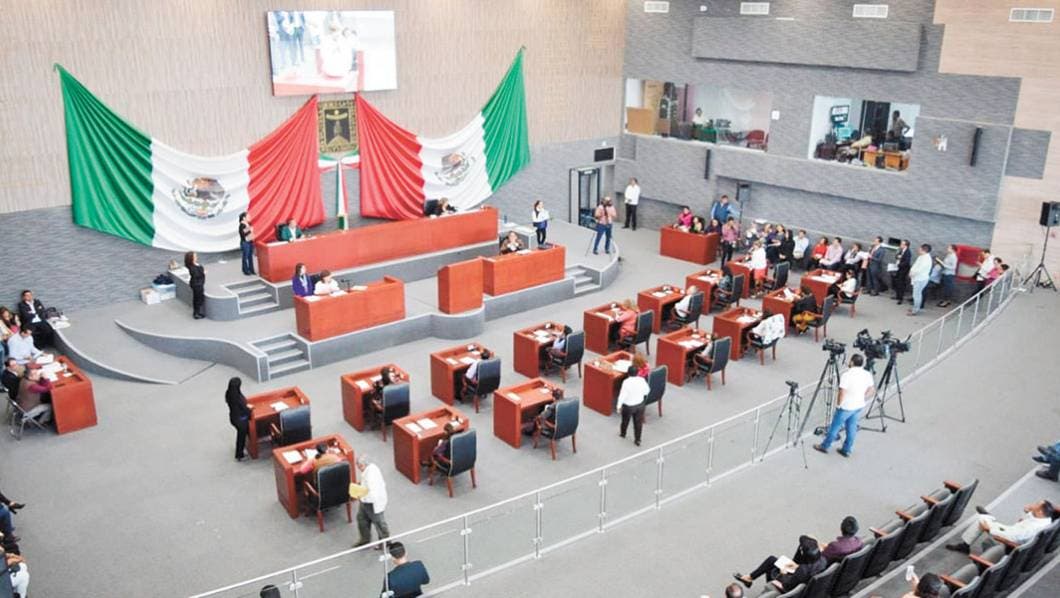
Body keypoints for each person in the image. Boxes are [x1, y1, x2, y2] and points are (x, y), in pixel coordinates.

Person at [814, 354, 875, 457]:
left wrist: (839, 404)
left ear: (852, 362)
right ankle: (846, 449)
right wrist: (862, 397)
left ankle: (824, 446)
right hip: (858, 405)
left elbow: (842, 392)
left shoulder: (847, 375)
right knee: (852, 427)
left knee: (834, 427)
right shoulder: (867, 374)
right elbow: (872, 389)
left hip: (846, 406)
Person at [946, 500, 1058, 554]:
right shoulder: (1044, 519)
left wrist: (990, 529)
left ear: (1040, 511)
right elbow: (1021, 522)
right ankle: (989, 518)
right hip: (1012, 530)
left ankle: (966, 545)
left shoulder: (1033, 527)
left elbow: (1013, 538)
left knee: (982, 520)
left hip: (1009, 540)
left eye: (1036, 504)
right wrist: (1027, 511)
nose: (1033, 504)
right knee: (983, 519)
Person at [733, 535, 828, 594]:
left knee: (771, 565)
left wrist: (782, 573)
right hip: (805, 583)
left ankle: (768, 590)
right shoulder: (823, 561)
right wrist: (797, 567)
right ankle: (749, 578)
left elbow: (787, 586)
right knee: (772, 560)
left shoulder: (802, 570)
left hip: (788, 587)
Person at [354, 456, 390, 547]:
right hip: (365, 501)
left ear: (363, 465)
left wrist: (361, 497)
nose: (359, 469)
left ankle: (385, 543)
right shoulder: (369, 468)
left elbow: (373, 495)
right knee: (361, 519)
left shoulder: (371, 476)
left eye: (359, 467)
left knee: (379, 524)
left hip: (373, 504)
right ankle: (365, 539)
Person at [616, 365, 649, 446]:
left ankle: (623, 434)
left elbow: (622, 395)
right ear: (637, 373)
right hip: (640, 405)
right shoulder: (642, 380)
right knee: (638, 423)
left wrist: (618, 406)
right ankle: (638, 440)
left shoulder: (626, 382)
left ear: (628, 373)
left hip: (628, 406)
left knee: (625, 421)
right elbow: (647, 391)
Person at [225, 377, 252, 461]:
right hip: (241, 421)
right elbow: (245, 409)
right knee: (241, 437)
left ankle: (241, 451)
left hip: (233, 418)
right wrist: (250, 410)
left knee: (241, 436)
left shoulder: (228, 394)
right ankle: (239, 455)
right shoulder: (238, 398)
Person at [908, 244, 933, 316]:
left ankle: (915, 310)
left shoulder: (926, 259)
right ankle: (916, 307)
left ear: (924, 250)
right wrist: (911, 271)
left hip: (920, 279)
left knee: (916, 295)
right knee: (917, 294)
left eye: (920, 248)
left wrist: (912, 273)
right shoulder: (922, 256)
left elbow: (920, 269)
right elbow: (915, 265)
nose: (918, 249)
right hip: (917, 278)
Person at [185, 252, 206, 319]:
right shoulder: (192, 267)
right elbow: (197, 275)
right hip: (197, 284)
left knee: (197, 298)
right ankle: (196, 313)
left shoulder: (194, 265)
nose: (196, 257)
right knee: (198, 299)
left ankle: (197, 312)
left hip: (197, 283)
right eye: (195, 256)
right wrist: (203, 272)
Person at [892, 239, 912, 304]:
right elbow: (897, 256)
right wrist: (897, 256)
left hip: (903, 269)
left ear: (905, 245)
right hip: (899, 268)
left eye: (902, 244)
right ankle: (897, 295)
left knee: (901, 283)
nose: (900, 245)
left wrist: (899, 265)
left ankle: (900, 298)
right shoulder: (901, 250)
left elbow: (906, 262)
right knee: (897, 282)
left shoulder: (908, 252)